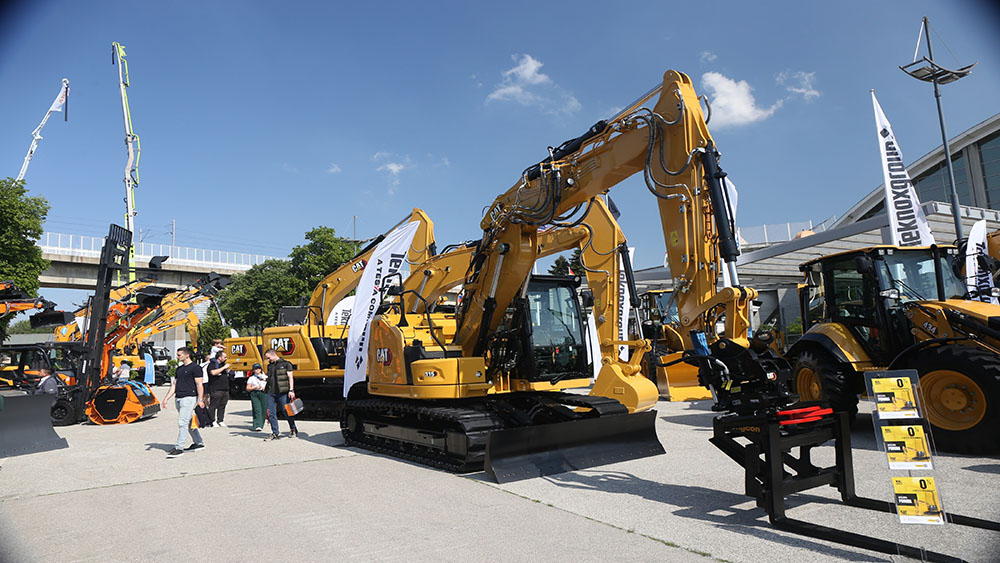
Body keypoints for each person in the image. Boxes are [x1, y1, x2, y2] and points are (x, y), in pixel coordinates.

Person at [160, 346, 206, 458]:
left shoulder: (195, 368)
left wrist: (200, 400)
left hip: (189, 398)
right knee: (188, 422)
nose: (177, 357)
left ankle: (179, 448)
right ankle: (199, 443)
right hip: (179, 398)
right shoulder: (179, 369)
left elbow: (199, 384)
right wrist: (166, 398)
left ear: (187, 355)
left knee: (182, 422)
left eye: (179, 355)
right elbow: (174, 385)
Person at [262, 348, 297, 440]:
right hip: (271, 392)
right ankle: (275, 433)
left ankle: (293, 428)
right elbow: (269, 377)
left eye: (268, 358)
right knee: (271, 413)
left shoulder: (286, 364)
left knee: (286, 411)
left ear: (273, 355)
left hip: (283, 392)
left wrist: (291, 390)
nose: (268, 360)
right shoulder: (270, 366)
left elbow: (290, 378)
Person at [206, 350, 232, 427]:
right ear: (219, 357)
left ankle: (220, 420)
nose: (226, 358)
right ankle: (212, 420)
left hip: (225, 388)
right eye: (224, 357)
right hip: (216, 389)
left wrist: (229, 371)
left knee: (222, 405)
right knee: (213, 405)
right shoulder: (212, 364)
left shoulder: (224, 365)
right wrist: (224, 368)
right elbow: (213, 373)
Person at [245, 363, 267, 431]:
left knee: (264, 409)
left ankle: (261, 423)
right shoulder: (251, 378)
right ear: (253, 370)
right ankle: (257, 425)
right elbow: (248, 388)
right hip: (255, 393)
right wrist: (254, 387)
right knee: (257, 409)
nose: (257, 370)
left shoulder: (265, 377)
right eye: (256, 369)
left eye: (259, 368)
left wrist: (265, 388)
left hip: (263, 393)